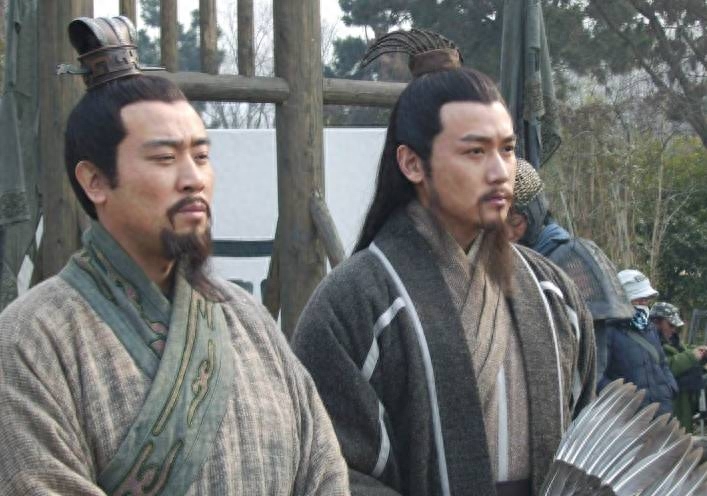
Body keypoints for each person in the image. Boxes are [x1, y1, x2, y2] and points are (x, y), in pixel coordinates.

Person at [0, 16, 348, 495]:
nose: (193, 179)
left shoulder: (248, 320)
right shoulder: (30, 341)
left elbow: (324, 470)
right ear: (94, 181)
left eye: (201, 156)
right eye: (165, 158)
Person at [291, 29, 596, 496]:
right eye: (475, 151)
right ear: (412, 164)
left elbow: (589, 444)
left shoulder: (554, 294)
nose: (500, 172)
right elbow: (327, 469)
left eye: (507, 149)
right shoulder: (353, 303)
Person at [508, 160, 634, 387]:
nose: (508, 233)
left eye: (515, 222)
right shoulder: (503, 260)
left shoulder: (572, 261)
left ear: (533, 215)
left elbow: (591, 359)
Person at [600, 270, 678, 414]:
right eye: (638, 299)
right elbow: (598, 376)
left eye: (646, 299)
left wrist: (670, 388)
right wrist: (622, 401)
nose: (643, 304)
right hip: (629, 417)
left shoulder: (650, 329)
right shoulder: (607, 331)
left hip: (661, 412)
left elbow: (662, 363)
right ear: (623, 298)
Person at [651, 301, 707, 432]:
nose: (673, 329)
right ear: (656, 322)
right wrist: (691, 356)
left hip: (683, 403)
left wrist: (701, 357)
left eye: (676, 326)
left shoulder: (674, 341)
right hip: (666, 405)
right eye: (670, 325)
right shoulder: (651, 344)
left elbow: (683, 359)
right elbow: (664, 368)